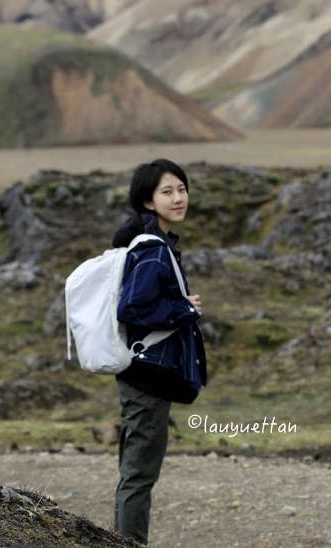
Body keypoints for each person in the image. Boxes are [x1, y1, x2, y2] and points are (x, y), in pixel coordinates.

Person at [111, 159, 207, 545]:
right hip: (148, 375)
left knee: (134, 470)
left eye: (181, 189)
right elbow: (131, 308)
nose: (178, 198)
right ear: (148, 202)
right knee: (139, 474)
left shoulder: (157, 241)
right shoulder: (152, 249)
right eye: (167, 192)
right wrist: (184, 309)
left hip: (142, 372)